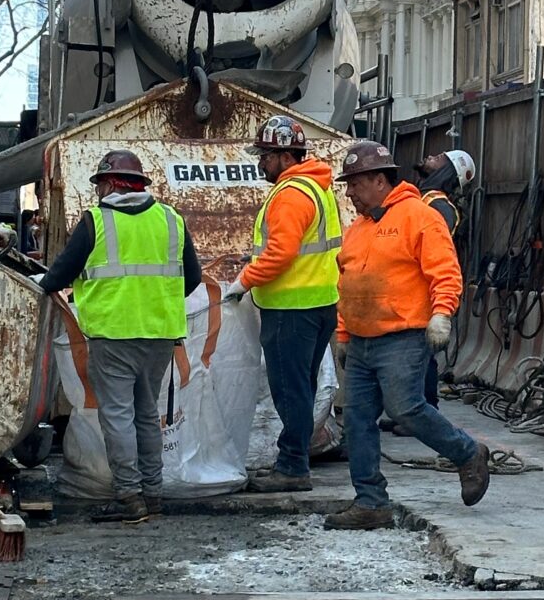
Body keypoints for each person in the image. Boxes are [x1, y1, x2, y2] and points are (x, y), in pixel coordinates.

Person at [324, 140, 490, 531]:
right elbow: (346, 282)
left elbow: (445, 271)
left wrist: (442, 314)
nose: (349, 193)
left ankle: (467, 453)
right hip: (363, 340)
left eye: (355, 184)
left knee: (406, 409)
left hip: (403, 335)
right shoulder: (359, 229)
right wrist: (345, 334)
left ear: (380, 180)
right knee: (357, 420)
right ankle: (371, 502)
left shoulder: (421, 216)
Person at [39, 149, 202, 524]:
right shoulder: (170, 219)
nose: (98, 192)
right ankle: (153, 494)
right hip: (161, 334)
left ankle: (128, 497)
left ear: (110, 183)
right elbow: (191, 278)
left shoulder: (96, 221)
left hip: (113, 335)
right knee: (147, 414)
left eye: (100, 185)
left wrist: (53, 285)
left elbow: (58, 276)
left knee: (117, 415)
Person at [225, 115, 342, 493]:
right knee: (302, 389)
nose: (260, 162)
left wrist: (241, 283)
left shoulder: (290, 195)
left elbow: (280, 254)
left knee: (290, 391)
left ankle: (292, 466)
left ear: (284, 156)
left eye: (265, 155)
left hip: (291, 309)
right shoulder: (317, 188)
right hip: (319, 304)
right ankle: (294, 459)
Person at [414, 148, 477, 409]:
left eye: (439, 158)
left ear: (446, 171)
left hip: (423, 290)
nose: (432, 156)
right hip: (418, 287)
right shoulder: (425, 199)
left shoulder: (438, 206)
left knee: (421, 355)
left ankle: (425, 408)